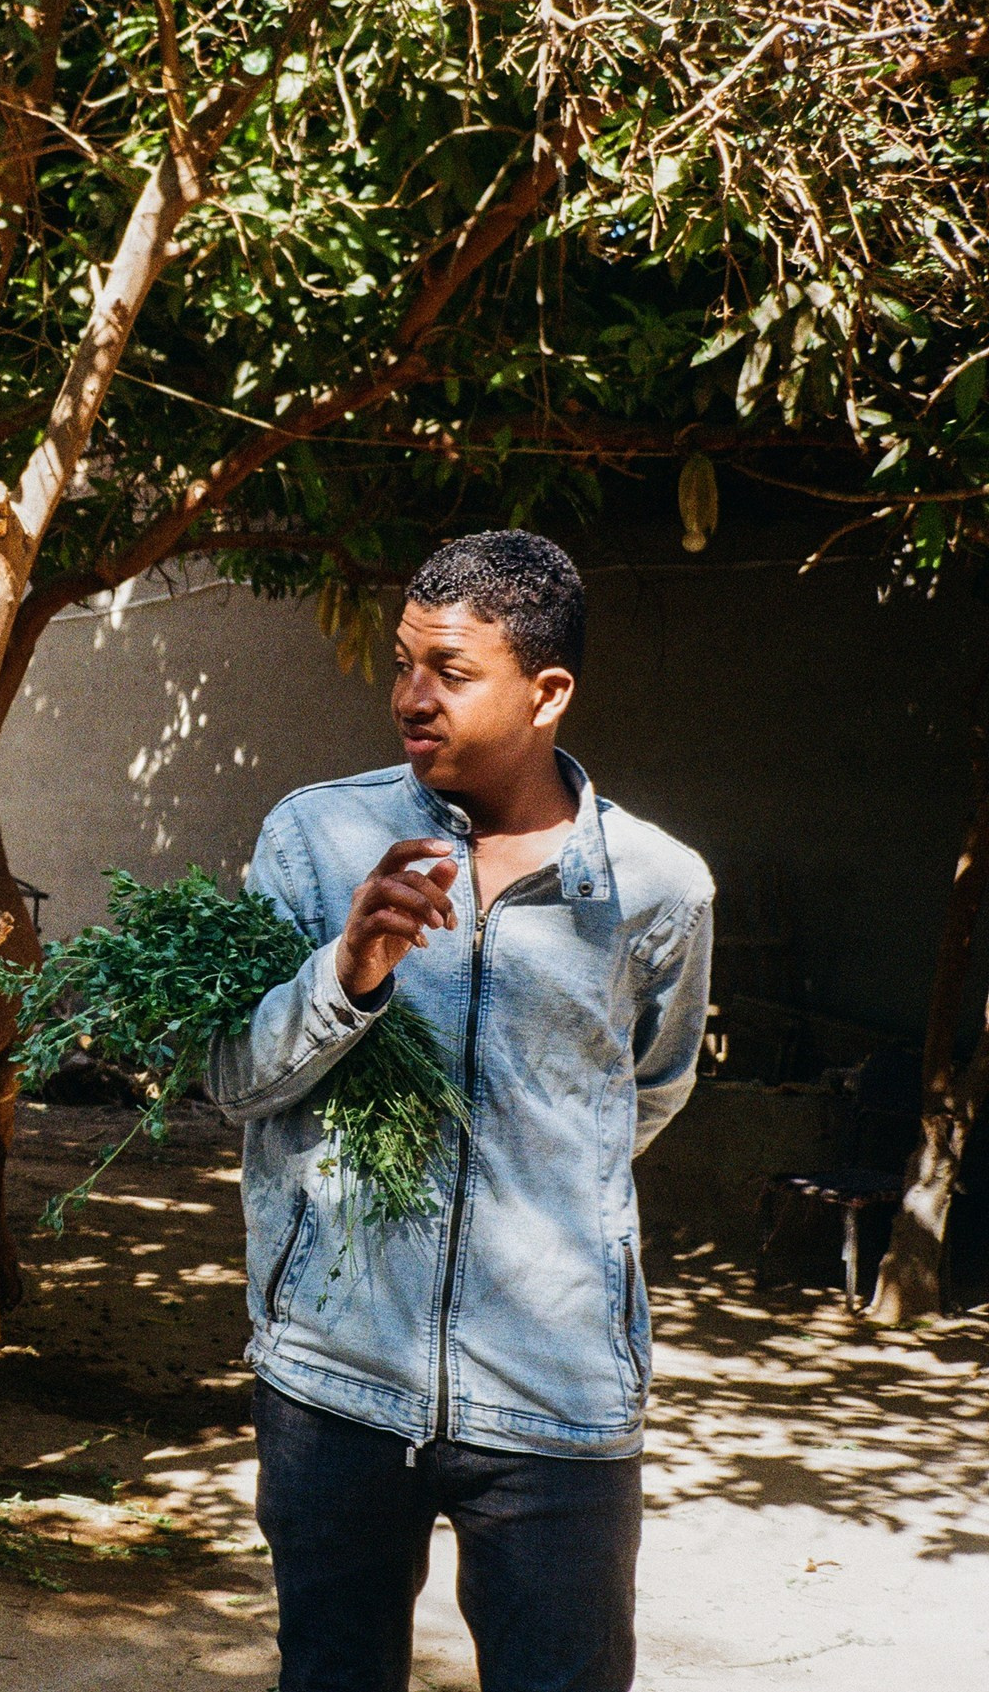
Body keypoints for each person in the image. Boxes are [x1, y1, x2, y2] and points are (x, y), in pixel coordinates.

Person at [207, 530, 715, 1692]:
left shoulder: (656, 886)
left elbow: (642, 1092)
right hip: (333, 1378)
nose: (408, 697)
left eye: (446, 669)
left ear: (547, 693)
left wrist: (546, 1216)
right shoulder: (316, 838)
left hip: (556, 1398)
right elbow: (233, 1077)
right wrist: (348, 973)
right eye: (399, 663)